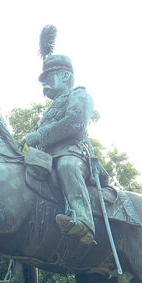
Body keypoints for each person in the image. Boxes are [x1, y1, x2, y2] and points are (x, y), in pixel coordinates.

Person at [24, 52, 95, 244]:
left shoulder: (80, 95)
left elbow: (74, 122)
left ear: (65, 76)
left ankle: (84, 220)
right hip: (46, 158)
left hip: (74, 153)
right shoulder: (50, 109)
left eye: (48, 77)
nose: (44, 84)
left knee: (67, 166)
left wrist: (40, 135)